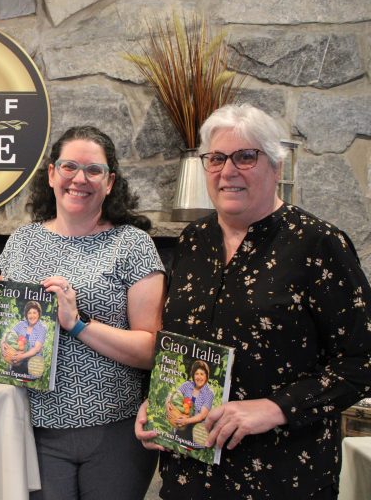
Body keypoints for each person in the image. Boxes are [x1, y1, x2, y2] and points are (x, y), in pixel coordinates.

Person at [135, 104, 371, 499]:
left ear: (276, 166)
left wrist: (276, 407)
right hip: (190, 475)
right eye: (216, 158)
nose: (228, 171)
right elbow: (178, 343)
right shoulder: (193, 241)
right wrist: (157, 400)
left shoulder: (318, 244)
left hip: (282, 477)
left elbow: (361, 361)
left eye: (245, 157)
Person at [0, 126, 166, 500]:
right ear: (51, 174)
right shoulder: (22, 242)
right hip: (32, 427)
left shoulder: (132, 245)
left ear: (110, 182)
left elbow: (150, 350)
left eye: (94, 170)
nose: (80, 179)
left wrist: (76, 324)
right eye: (69, 167)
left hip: (114, 431)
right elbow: (15, 337)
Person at [169, 360, 213, 445]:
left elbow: (202, 415)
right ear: (193, 375)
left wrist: (186, 421)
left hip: (195, 432)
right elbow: (173, 394)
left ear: (206, 376)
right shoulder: (187, 385)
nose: (199, 377)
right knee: (176, 446)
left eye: (202, 374)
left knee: (190, 450)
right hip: (181, 427)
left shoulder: (209, 393)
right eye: (196, 374)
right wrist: (168, 403)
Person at [1, 300, 47, 377]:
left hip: (33, 365)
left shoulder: (42, 328)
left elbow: (36, 349)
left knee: (30, 382)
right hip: (17, 363)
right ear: (26, 315)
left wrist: (21, 357)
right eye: (29, 313)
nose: (32, 316)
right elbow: (8, 334)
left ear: (39, 314)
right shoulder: (21, 324)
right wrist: (2, 344)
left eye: (34, 312)